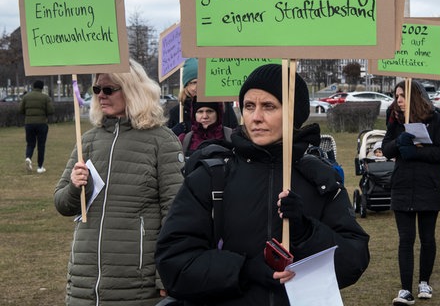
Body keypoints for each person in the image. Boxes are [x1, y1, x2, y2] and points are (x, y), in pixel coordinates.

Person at [156, 63, 370, 305]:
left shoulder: (319, 181)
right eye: (249, 106)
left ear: (293, 113)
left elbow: (353, 262)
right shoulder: (212, 177)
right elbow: (174, 262)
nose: (256, 117)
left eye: (269, 106)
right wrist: (243, 270)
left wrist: (307, 233)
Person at [54, 59, 185, 306]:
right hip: (85, 284)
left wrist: (165, 275)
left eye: (108, 89)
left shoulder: (162, 142)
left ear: (132, 90)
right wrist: (74, 186)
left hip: (136, 285)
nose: (100, 95)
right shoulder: (88, 141)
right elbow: (62, 204)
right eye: (96, 89)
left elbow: (175, 214)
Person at [382, 80, 440, 305]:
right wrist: (398, 142)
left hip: (428, 187)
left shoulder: (437, 120)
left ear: (415, 96)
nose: (398, 100)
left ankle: (424, 282)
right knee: (405, 239)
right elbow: (385, 149)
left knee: (427, 237)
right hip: (402, 186)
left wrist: (417, 153)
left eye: (402, 96)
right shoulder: (395, 120)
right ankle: (405, 290)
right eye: (396, 96)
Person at [167, 58, 239, 134]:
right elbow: (168, 143)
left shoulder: (224, 107)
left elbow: (234, 133)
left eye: (202, 81)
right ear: (186, 86)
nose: (199, 86)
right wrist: (173, 134)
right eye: (194, 82)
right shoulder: (177, 112)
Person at [18, 79, 54, 174]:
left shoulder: (26, 97)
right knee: (41, 145)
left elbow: (20, 110)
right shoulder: (45, 98)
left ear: (33, 86)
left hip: (29, 123)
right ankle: (40, 167)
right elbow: (50, 110)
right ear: (42, 87)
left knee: (30, 143)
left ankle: (28, 157)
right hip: (42, 124)